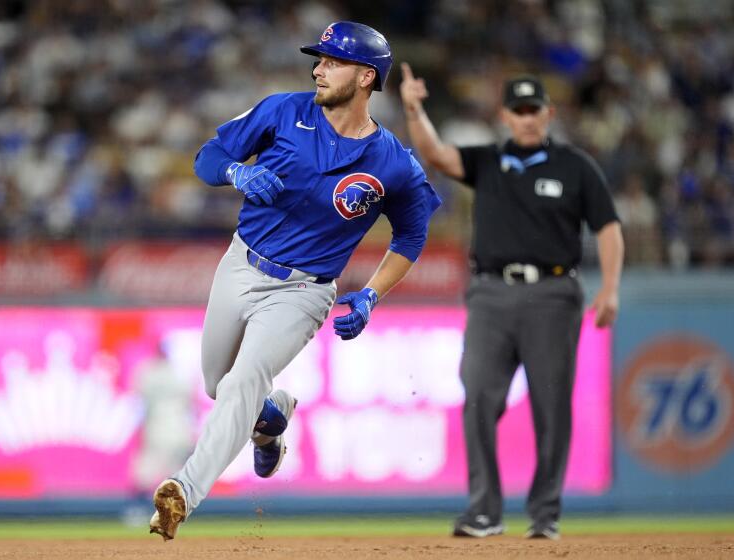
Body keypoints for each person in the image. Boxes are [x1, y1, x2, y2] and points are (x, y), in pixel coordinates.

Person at [149, 22, 441, 541]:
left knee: (240, 383)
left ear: (367, 76)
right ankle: (271, 423)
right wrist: (237, 173)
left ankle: (182, 492)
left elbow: (411, 236)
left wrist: (372, 293)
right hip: (240, 264)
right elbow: (208, 157)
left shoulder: (392, 161)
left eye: (332, 61)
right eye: (319, 59)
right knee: (222, 387)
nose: (318, 69)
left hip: (303, 292)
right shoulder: (283, 110)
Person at [399, 66, 623, 540]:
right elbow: (436, 154)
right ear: (505, 115)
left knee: (551, 405)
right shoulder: (488, 161)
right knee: (478, 394)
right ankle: (484, 511)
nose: (525, 118)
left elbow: (608, 226)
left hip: (553, 294)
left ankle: (545, 514)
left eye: (533, 109)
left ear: (548, 113)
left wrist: (611, 288)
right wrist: (415, 109)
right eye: (517, 110)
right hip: (491, 294)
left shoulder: (575, 166)